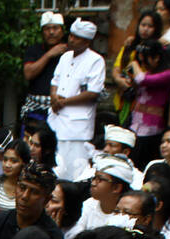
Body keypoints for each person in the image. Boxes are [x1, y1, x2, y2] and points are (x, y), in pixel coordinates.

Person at [49, 18, 106, 181]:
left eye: (76, 37)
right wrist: (54, 98)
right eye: (71, 36)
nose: (71, 40)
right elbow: (55, 81)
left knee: (76, 168)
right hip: (58, 118)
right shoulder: (65, 56)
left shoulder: (96, 60)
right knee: (58, 164)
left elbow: (93, 92)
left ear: (87, 41)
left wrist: (64, 102)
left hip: (78, 125)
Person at [126, 39, 170, 166]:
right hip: (135, 124)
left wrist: (134, 63)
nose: (143, 64)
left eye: (145, 60)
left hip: (151, 128)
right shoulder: (147, 72)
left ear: (157, 58)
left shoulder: (169, 74)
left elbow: (142, 80)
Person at [112, 10, 163, 125]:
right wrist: (119, 80)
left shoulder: (158, 49)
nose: (145, 29)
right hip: (123, 97)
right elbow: (117, 68)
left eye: (150, 26)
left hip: (143, 101)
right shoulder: (130, 45)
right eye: (143, 25)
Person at [22, 12, 68, 128]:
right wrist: (49, 55)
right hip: (36, 108)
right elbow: (28, 74)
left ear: (62, 31)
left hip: (62, 107)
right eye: (47, 29)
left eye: (55, 28)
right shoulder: (34, 50)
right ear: (42, 32)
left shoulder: (71, 52)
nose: (51, 32)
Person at [73, 155, 135, 232]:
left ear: (116, 188)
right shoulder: (89, 204)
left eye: (100, 179)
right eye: (94, 178)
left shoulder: (127, 215)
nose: (93, 183)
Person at [0, 133, 28, 210]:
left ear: (23, 163)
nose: (7, 165)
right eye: (5, 160)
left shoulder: (28, 189)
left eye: (13, 161)